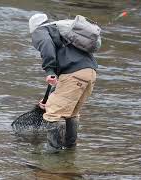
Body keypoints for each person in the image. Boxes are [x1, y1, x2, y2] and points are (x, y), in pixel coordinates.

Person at [29, 13, 98, 149]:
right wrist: (51, 97)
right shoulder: (64, 32)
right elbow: (66, 85)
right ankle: (70, 150)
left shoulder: (40, 30)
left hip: (74, 74)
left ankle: (53, 155)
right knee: (71, 113)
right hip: (90, 73)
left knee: (53, 114)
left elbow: (46, 45)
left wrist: (49, 70)